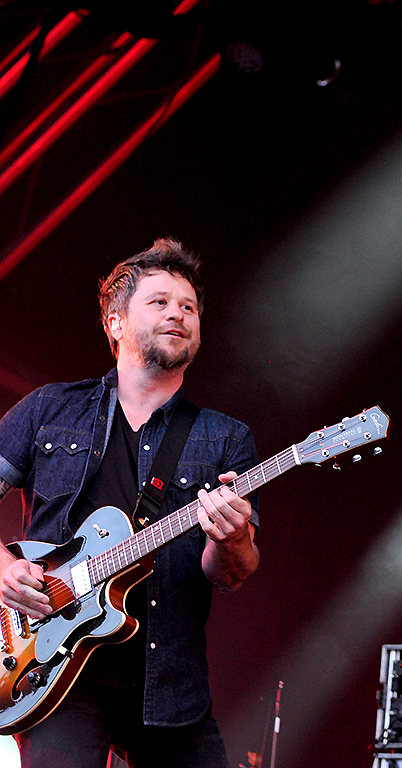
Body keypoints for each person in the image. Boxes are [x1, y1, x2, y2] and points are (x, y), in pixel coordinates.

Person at [0, 238, 260, 767]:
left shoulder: (224, 439)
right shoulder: (51, 408)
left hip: (171, 688)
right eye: (159, 302)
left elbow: (233, 572)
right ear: (115, 323)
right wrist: (2, 567)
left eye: (188, 307)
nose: (178, 315)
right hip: (53, 678)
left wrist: (231, 539)